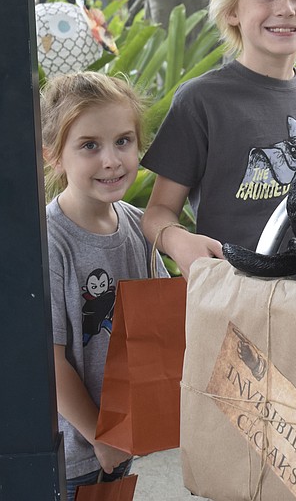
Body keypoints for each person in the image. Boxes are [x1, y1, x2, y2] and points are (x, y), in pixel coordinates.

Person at [140, 0, 296, 277]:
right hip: (233, 298)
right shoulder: (201, 101)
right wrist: (179, 241)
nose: (286, 8)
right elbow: (158, 211)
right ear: (231, 10)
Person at [41, 71, 167, 499]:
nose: (111, 160)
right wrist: (100, 435)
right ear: (54, 155)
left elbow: (162, 328)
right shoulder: (50, 240)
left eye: (123, 141)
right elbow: (48, 362)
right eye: (89, 146)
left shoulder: (137, 224)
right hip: (74, 452)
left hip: (119, 441)